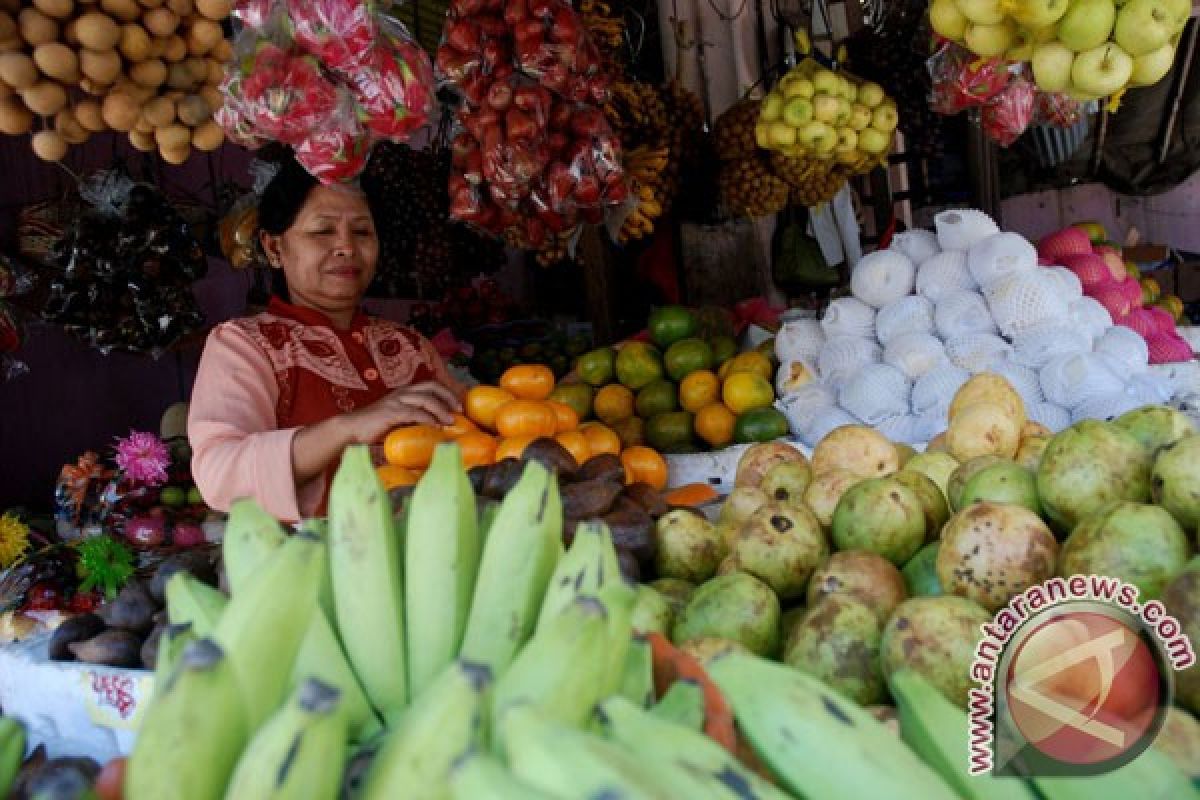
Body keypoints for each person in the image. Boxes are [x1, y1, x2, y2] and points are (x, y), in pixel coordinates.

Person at [188, 153, 463, 522]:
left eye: (362, 232)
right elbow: (219, 475)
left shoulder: (410, 346)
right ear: (273, 248)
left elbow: (472, 433)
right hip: (316, 565)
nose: (347, 247)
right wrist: (348, 428)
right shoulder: (245, 345)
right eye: (323, 231)